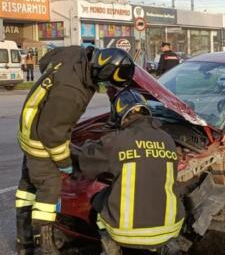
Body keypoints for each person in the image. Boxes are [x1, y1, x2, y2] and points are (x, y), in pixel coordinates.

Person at [15, 47, 135, 255]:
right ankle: (44, 248)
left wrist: (55, 79)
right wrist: (65, 163)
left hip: (29, 128)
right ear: (102, 73)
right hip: (40, 141)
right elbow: (51, 133)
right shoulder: (72, 92)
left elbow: (45, 61)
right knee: (49, 189)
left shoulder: (76, 54)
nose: (106, 87)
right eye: (107, 83)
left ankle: (23, 242)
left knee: (27, 187)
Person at [77, 89, 184, 255]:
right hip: (170, 229)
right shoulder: (167, 139)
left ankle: (112, 248)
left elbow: (87, 161)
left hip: (127, 233)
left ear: (120, 116)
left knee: (98, 199)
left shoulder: (119, 139)